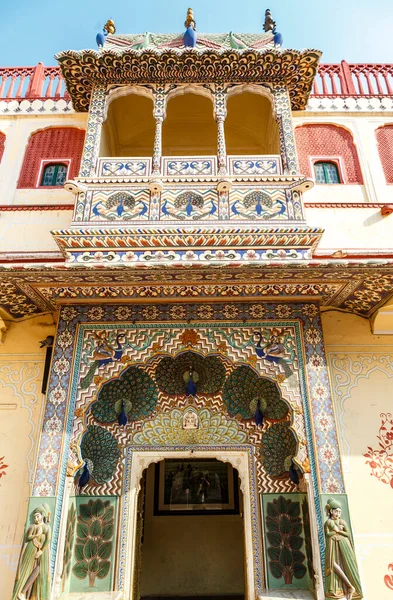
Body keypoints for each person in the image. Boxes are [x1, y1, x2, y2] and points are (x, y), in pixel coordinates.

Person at [324, 498, 363, 600]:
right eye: (336, 511)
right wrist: (335, 531)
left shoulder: (342, 521)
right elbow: (327, 534)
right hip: (332, 544)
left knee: (347, 564)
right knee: (332, 564)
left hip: (343, 543)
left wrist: (340, 531)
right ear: (331, 511)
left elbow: (347, 534)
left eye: (339, 511)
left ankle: (352, 587)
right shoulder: (328, 522)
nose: (338, 513)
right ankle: (349, 586)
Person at [12, 504, 51, 600]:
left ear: (42, 516)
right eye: (34, 517)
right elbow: (28, 537)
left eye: (37, 516)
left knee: (39, 569)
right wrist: (35, 535)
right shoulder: (33, 526)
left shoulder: (46, 527)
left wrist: (41, 551)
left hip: (42, 553)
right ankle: (21, 593)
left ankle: (24, 592)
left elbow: (48, 540)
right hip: (31, 549)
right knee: (26, 569)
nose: (36, 519)